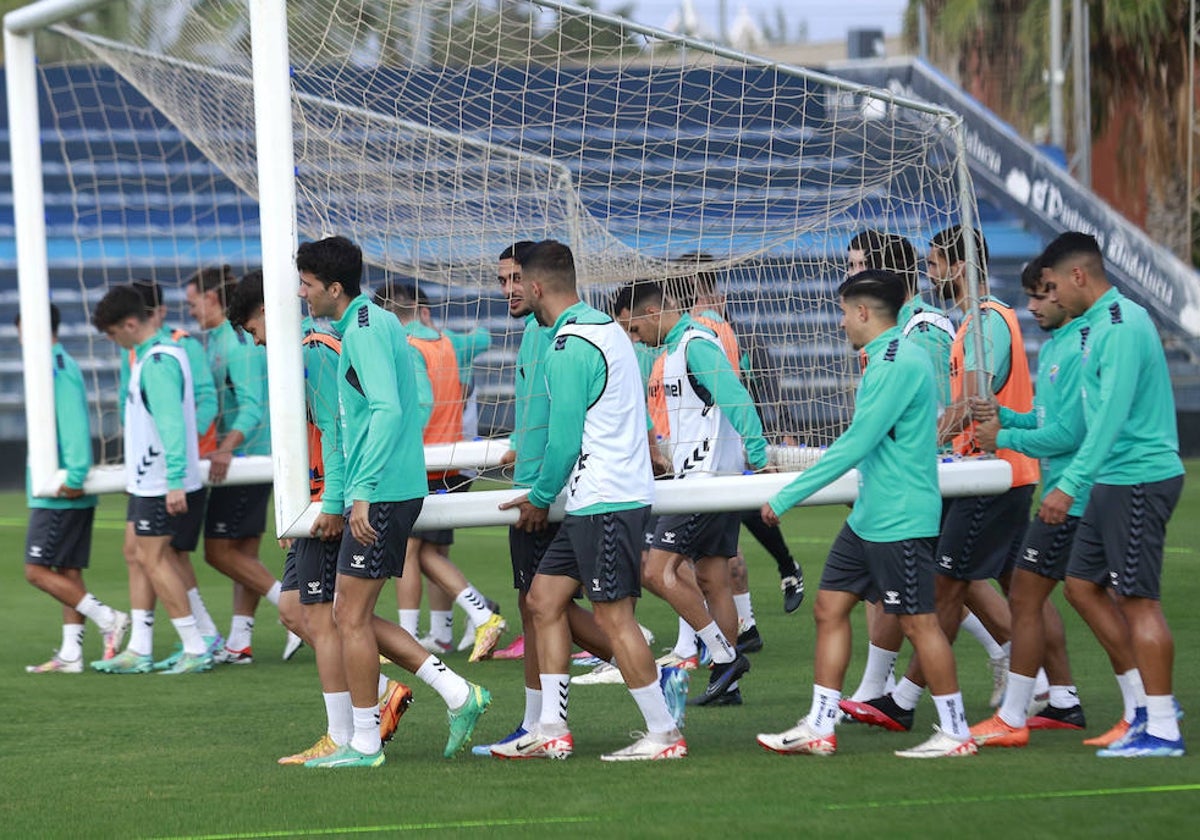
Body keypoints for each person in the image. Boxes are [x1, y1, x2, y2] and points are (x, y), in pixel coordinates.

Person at [754, 270, 976, 759]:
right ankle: (819, 724)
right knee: (829, 607)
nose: (839, 323)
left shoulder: (895, 362)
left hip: (898, 518)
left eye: (842, 312)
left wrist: (788, 496)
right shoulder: (886, 357)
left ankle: (957, 731)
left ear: (862, 313)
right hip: (871, 517)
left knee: (919, 623)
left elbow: (857, 443)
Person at [295, 235, 490, 768]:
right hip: (384, 487)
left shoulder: (361, 331)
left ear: (334, 288)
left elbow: (384, 411)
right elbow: (379, 414)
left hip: (381, 491)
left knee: (349, 618)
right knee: (347, 614)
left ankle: (365, 743)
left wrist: (359, 492)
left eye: (308, 285)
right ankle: (453, 695)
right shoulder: (377, 324)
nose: (302, 294)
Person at [495, 240, 686, 761]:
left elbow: (563, 441)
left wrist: (537, 497)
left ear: (536, 288)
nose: (513, 294)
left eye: (518, 285)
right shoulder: (602, 328)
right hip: (598, 498)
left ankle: (663, 732)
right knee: (542, 600)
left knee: (613, 619)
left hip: (605, 499)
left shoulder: (568, 345)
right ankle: (552, 726)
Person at [842, 226, 1038, 731]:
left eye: (857, 265)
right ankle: (1037, 683)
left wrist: (911, 447)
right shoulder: (904, 328)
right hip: (946, 469)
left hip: (957, 471)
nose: (848, 276)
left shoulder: (926, 329)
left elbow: (950, 408)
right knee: (960, 581)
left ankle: (906, 695)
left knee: (944, 581)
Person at [227, 271, 413, 764]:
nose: (256, 340)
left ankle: (351, 730)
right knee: (299, 611)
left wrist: (329, 502)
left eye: (252, 328)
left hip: (332, 498)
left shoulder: (317, 350)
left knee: (333, 616)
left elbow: (338, 431)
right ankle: (390, 690)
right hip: (315, 499)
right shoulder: (305, 352)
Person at [1041, 232, 1186, 758]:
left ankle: (1163, 726)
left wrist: (1069, 484)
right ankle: (1143, 708)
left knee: (1139, 601)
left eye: (1054, 286)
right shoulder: (1093, 327)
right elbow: (1085, 419)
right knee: (1081, 585)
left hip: (1138, 476)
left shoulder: (1122, 325)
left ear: (1079, 276)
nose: (1051, 298)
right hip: (1114, 478)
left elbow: (1111, 418)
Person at [626, 279, 768, 706]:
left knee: (653, 568)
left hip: (704, 483)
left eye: (635, 329)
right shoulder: (676, 350)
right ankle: (729, 685)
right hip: (707, 478)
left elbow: (734, 395)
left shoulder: (695, 344)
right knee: (711, 577)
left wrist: (758, 451)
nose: (636, 339)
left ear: (652, 313)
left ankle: (725, 656)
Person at [372, 280, 506, 662]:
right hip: (455, 462)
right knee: (433, 549)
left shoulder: (408, 348)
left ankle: (467, 617)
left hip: (425, 464)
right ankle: (443, 633)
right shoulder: (447, 343)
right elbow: (482, 337)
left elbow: (421, 405)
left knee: (410, 551)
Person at [92, 284, 213, 675]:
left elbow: (172, 425)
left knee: (156, 558)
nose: (112, 342)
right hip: (149, 479)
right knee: (136, 552)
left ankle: (196, 645)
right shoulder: (152, 356)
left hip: (162, 480)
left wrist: (175, 479)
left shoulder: (159, 362)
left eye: (112, 334)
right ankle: (141, 647)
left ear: (129, 324)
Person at [21, 305, 129, 673]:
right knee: (67, 571)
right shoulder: (54, 364)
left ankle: (108, 617)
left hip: (61, 488)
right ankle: (71, 654)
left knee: (36, 570)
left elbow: (74, 423)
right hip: (62, 484)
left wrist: (75, 474)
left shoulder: (55, 367)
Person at [185, 266, 282, 663]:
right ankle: (239, 642)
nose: (190, 311)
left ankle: (294, 608)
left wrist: (225, 448)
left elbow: (252, 408)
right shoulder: (222, 340)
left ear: (211, 298)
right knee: (244, 553)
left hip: (247, 458)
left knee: (219, 553)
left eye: (192, 303)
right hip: (256, 456)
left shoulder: (237, 342)